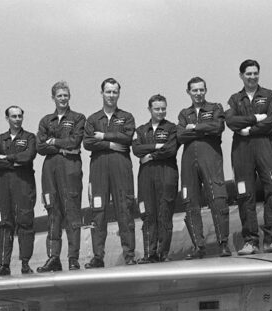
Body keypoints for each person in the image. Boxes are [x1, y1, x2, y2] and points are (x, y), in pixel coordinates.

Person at [225, 59, 272, 255]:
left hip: (264, 146)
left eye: (255, 73)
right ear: (241, 75)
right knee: (245, 194)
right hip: (241, 150)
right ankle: (250, 241)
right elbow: (231, 121)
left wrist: (249, 130)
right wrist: (254, 119)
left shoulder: (269, 96)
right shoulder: (235, 99)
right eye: (248, 73)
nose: (252, 77)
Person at [83, 78, 136, 268]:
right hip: (98, 168)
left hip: (120, 166)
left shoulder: (126, 117)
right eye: (108, 92)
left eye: (115, 92)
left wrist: (104, 136)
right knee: (98, 212)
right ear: (102, 93)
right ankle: (98, 256)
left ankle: (129, 254)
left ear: (119, 94)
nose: (111, 95)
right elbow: (88, 142)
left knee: (125, 208)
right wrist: (112, 144)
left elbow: (127, 137)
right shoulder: (93, 119)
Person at [177, 77, 231, 259]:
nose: (198, 93)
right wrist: (202, 130)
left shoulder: (215, 108)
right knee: (190, 203)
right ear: (189, 92)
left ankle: (223, 244)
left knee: (218, 199)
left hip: (211, 159)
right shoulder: (184, 114)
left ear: (206, 90)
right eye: (194, 90)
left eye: (201, 90)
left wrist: (195, 127)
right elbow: (180, 135)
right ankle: (198, 246)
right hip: (188, 162)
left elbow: (218, 127)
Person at [36, 81, 86, 273]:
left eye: (66, 95)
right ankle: (53, 257)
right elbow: (40, 147)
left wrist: (54, 141)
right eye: (59, 95)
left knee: (72, 213)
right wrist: (62, 147)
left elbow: (74, 141)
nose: (63, 98)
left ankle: (73, 258)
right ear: (53, 98)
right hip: (50, 170)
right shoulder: (45, 120)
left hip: (70, 169)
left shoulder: (78, 118)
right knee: (53, 214)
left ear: (69, 97)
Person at [132, 94, 179, 263]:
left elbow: (170, 149)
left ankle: (163, 253)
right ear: (149, 109)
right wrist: (156, 146)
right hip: (146, 175)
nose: (160, 111)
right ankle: (149, 254)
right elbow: (136, 150)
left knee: (164, 212)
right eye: (157, 109)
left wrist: (149, 154)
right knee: (148, 213)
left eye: (163, 108)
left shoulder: (172, 128)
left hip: (167, 173)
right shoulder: (141, 130)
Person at [0, 106, 37, 276]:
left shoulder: (29, 137)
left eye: (20, 116)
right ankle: (4, 264)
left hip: (23, 185)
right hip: (2, 186)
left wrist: (7, 158)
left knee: (25, 222)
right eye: (14, 116)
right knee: (3, 224)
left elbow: (29, 156)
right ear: (7, 118)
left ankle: (25, 263)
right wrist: (15, 161)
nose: (17, 119)